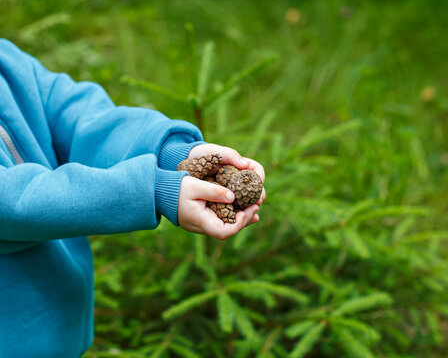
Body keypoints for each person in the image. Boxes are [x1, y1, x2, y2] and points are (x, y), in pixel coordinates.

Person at [0, 39, 265, 357]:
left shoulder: (7, 62)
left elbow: (77, 115)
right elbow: (13, 201)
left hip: (57, 332)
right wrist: (151, 190)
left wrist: (177, 156)